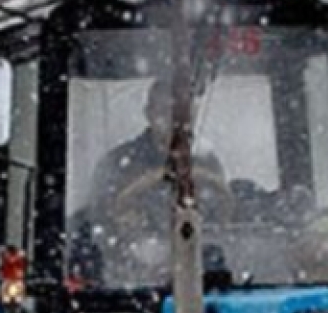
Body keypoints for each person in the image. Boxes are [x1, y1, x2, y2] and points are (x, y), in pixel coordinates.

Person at [78, 80, 229, 283]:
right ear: (149, 113)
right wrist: (128, 221)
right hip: (134, 274)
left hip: (194, 261)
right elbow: (101, 222)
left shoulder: (207, 162)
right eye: (165, 111)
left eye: (182, 113)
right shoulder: (118, 163)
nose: (174, 121)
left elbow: (221, 214)